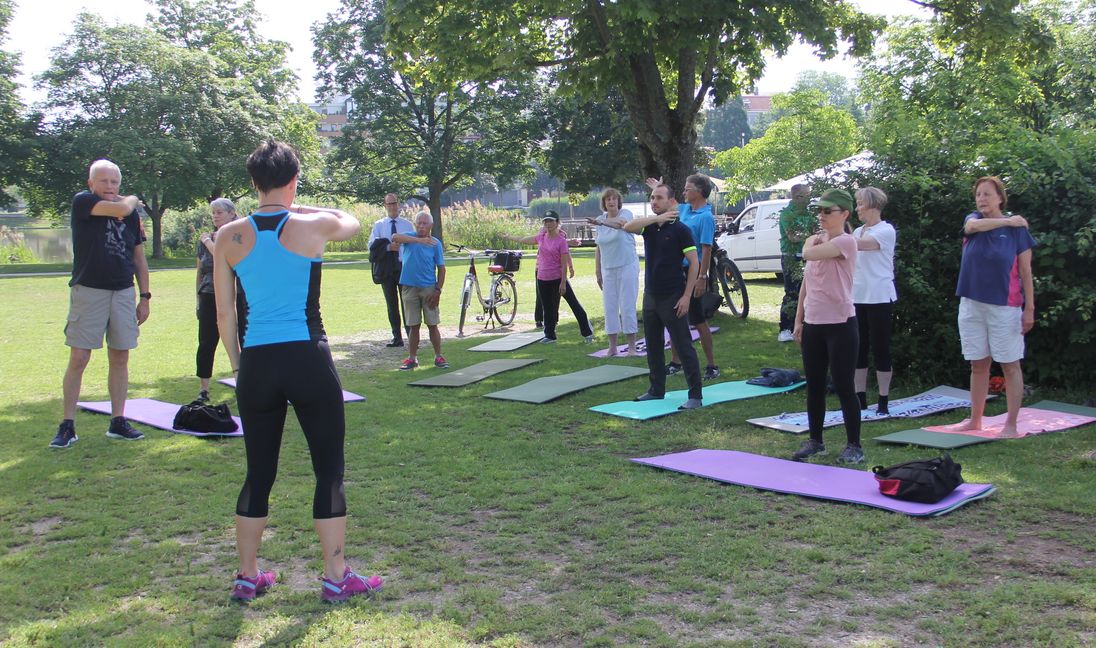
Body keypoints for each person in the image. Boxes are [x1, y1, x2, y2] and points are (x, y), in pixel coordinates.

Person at [213, 140, 382, 603]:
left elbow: (224, 316)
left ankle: (248, 575)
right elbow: (352, 221)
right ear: (294, 179)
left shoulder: (230, 235)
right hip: (308, 358)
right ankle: (336, 576)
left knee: (258, 474)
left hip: (257, 365)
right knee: (328, 471)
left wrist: (238, 366)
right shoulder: (313, 225)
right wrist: (304, 204)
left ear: (253, 183)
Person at [50, 159, 151, 449]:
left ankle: (118, 421)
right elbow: (121, 207)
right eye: (104, 181)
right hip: (89, 291)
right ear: (91, 184)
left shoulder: (131, 216)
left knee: (120, 356)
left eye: (114, 182)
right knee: (79, 357)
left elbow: (139, 259)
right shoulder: (84, 202)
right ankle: (67, 425)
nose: (110, 187)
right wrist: (131, 199)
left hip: (122, 292)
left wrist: (144, 297)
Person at [955, 176, 1036, 438]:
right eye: (979, 194)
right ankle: (975, 420)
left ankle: (1011, 425)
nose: (982, 199)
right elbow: (972, 226)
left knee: (1009, 365)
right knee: (978, 364)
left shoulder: (1018, 232)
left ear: (1000, 198)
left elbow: (1026, 272)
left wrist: (1030, 309)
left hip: (1005, 306)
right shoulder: (974, 221)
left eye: (987, 194)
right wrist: (1007, 220)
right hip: (971, 303)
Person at [791, 188, 863, 464]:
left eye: (827, 211)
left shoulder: (847, 241)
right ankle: (816, 441)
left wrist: (809, 246)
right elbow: (806, 284)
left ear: (844, 214)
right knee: (815, 385)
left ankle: (854, 444)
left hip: (841, 324)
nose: (821, 216)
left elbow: (808, 254)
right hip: (814, 324)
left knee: (844, 385)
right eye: (819, 211)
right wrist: (799, 320)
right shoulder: (815, 241)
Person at [624, 184, 703, 410]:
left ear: (671, 201)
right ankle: (656, 389)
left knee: (683, 345)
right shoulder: (649, 228)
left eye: (659, 198)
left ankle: (695, 395)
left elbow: (695, 262)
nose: (654, 201)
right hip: (651, 296)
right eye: (652, 198)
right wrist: (653, 219)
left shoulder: (681, 230)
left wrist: (687, 296)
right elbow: (628, 226)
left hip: (673, 295)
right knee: (653, 344)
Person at [645, 174, 720, 379]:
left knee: (698, 319)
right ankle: (676, 362)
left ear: (698, 192)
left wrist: (702, 278)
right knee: (675, 317)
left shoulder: (705, 217)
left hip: (695, 272)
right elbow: (669, 201)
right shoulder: (685, 209)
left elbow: (706, 250)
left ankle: (711, 365)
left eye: (688, 189)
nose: (684, 191)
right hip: (677, 272)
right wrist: (659, 187)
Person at [505, 210, 593, 343]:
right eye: (546, 221)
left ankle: (587, 333)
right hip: (542, 278)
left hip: (557, 278)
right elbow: (524, 240)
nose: (548, 223)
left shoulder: (561, 241)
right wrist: (509, 237)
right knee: (547, 309)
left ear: (557, 223)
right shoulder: (541, 237)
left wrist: (563, 282)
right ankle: (550, 335)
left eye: (551, 221)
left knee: (574, 304)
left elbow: (563, 264)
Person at [851, 187, 897, 414]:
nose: (857, 208)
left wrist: (837, 237)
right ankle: (859, 398)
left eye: (860, 203)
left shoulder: (885, 230)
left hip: (879, 296)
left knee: (881, 348)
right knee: (858, 348)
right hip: (857, 297)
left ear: (872, 205)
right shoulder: (857, 231)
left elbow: (864, 245)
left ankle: (883, 400)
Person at [194, 198, 244, 402]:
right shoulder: (205, 239)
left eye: (219, 212)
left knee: (243, 339)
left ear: (232, 213)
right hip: (209, 294)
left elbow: (223, 257)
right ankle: (203, 389)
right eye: (213, 213)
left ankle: (243, 383)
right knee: (206, 341)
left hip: (238, 295)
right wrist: (197, 299)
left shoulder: (238, 235)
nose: (215, 216)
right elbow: (199, 272)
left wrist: (208, 242)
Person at [585, 188, 639, 356]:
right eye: (608, 199)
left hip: (627, 265)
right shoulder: (600, 220)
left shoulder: (626, 214)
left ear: (618, 201)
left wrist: (600, 223)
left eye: (614, 198)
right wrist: (598, 271)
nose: (611, 201)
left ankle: (631, 347)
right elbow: (599, 246)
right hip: (608, 268)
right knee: (609, 307)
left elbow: (620, 225)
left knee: (627, 305)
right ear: (604, 203)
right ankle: (612, 347)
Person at [391, 211, 447, 370]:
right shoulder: (409, 238)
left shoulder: (435, 243)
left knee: (432, 323)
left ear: (431, 226)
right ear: (415, 224)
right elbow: (395, 237)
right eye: (419, 223)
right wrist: (418, 240)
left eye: (425, 223)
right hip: (409, 287)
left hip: (429, 288)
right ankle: (412, 358)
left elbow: (442, 269)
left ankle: (438, 356)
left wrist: (438, 291)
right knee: (413, 325)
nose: (421, 226)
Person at [368, 193, 414, 347]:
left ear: (398, 204)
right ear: (385, 206)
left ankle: (411, 336)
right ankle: (397, 337)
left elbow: (414, 245)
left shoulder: (407, 225)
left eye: (394, 203)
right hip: (387, 269)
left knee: (407, 302)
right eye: (389, 204)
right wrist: (388, 247)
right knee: (391, 303)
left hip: (403, 267)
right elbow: (371, 246)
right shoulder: (379, 225)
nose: (393, 206)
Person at [777, 184, 815, 342]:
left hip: (809, 255)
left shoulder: (809, 213)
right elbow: (792, 236)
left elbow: (814, 231)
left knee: (809, 292)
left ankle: (805, 327)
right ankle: (785, 329)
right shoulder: (787, 214)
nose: (808, 198)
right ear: (797, 196)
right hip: (792, 257)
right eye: (806, 195)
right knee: (792, 292)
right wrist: (813, 235)